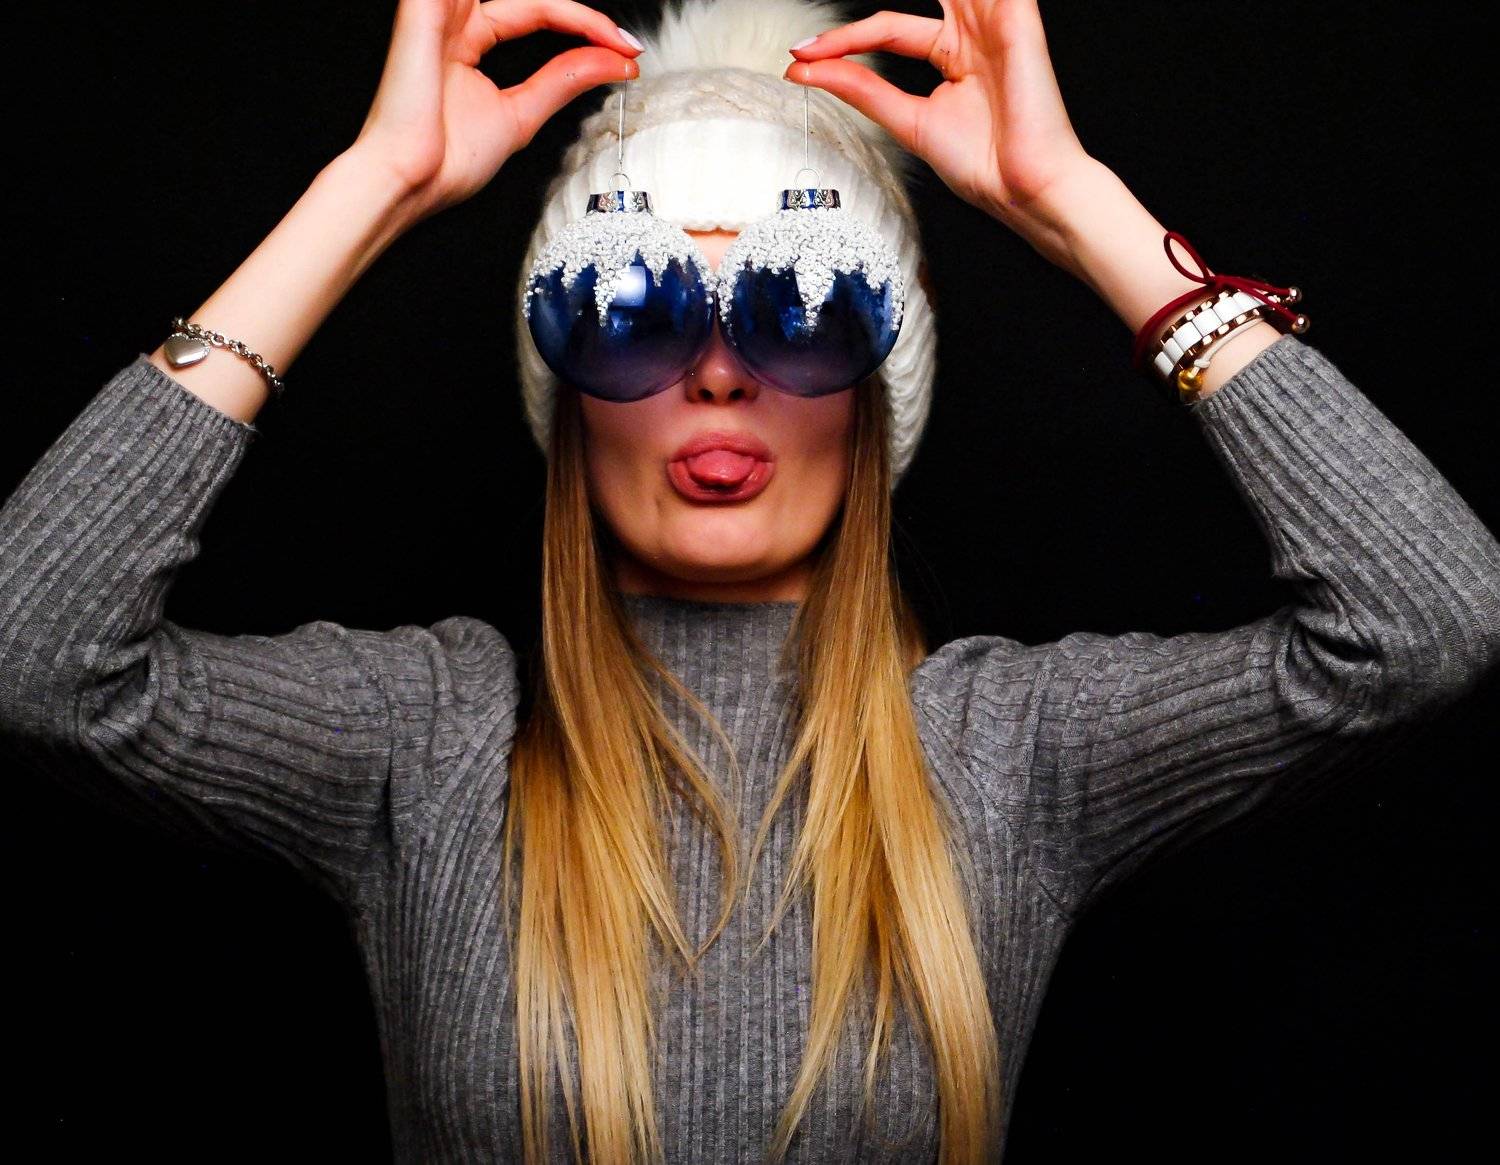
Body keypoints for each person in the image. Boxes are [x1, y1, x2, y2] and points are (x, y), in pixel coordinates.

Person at [1, 0, 1496, 1162]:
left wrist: (1075, 199)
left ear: (876, 396)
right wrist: (368, 190)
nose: (719, 374)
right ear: (565, 396)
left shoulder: (1006, 749)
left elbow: (1423, 620)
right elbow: (39, 652)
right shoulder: (426, 734)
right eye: (631, 310)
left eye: (800, 309)